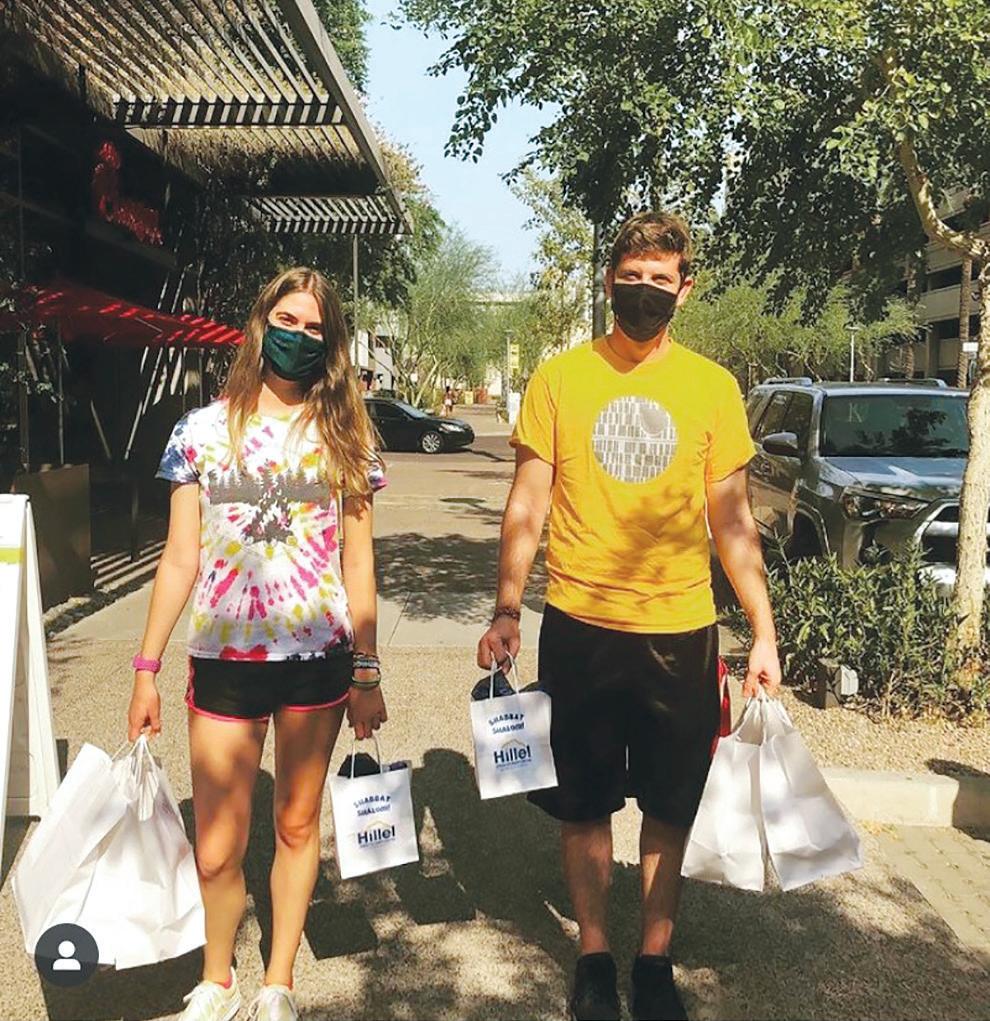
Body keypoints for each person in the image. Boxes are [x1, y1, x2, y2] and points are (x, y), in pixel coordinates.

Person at [477, 212, 782, 1021]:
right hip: (580, 625)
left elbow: (733, 523)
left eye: (660, 278)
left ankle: (653, 959)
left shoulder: (712, 388)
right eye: (631, 276)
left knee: (669, 805)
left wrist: (762, 630)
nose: (644, 291)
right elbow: (527, 504)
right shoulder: (560, 379)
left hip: (681, 632)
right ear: (610, 280)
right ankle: (593, 955)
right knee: (583, 803)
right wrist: (507, 606)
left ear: (686, 288)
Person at [128, 267, 388, 1021]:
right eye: (287, 320)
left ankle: (278, 983)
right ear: (260, 325)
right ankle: (219, 981)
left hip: (318, 663)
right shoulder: (199, 432)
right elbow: (180, 557)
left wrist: (367, 668)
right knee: (216, 847)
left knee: (297, 825)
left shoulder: (347, 436)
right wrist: (145, 667)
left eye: (314, 328)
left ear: (330, 343)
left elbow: (359, 560)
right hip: (224, 662)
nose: (298, 337)